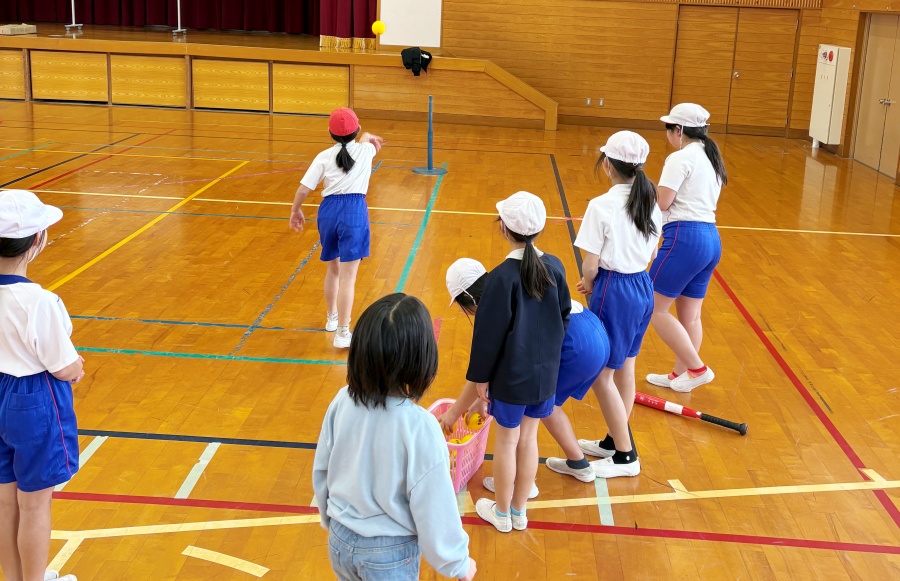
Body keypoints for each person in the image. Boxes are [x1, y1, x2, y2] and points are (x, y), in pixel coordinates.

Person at [312, 293, 476, 581]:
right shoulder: (420, 426)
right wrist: (458, 563)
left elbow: (323, 468)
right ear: (421, 359)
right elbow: (434, 505)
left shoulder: (341, 401)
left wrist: (332, 519)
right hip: (387, 554)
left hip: (339, 540)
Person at [439, 258, 609, 487]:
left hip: (575, 345)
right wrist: (480, 402)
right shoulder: (508, 284)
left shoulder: (491, 311)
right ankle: (578, 464)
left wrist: (452, 415)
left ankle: (518, 484)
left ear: (468, 299)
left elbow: (482, 369)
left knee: (530, 405)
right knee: (547, 407)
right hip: (592, 331)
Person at [460, 192, 571, 532]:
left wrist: (481, 378)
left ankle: (503, 512)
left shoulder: (500, 278)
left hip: (511, 378)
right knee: (529, 440)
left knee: (507, 442)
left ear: (504, 231)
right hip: (544, 377)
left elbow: (488, 336)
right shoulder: (555, 266)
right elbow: (564, 316)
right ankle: (520, 512)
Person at [0, 190, 83, 581]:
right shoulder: (40, 301)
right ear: (38, 240)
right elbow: (62, 365)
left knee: (5, 501)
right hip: (32, 399)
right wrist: (76, 366)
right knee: (35, 504)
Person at [573, 132, 662, 478]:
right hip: (642, 286)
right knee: (625, 368)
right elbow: (652, 253)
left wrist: (591, 285)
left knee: (601, 373)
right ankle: (615, 439)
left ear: (607, 165)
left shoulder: (601, 206)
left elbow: (590, 265)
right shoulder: (650, 201)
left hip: (614, 290)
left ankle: (626, 456)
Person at [647, 103, 727, 392]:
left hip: (684, 238)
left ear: (678, 131)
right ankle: (681, 375)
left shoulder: (680, 159)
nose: (668, 135)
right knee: (690, 315)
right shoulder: (712, 157)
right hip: (710, 238)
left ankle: (697, 368)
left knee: (654, 308)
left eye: (669, 129)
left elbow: (663, 202)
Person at [290, 108, 384, 349]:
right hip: (354, 211)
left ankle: (331, 319)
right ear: (358, 128)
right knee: (348, 278)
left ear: (330, 133)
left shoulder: (323, 156)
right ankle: (343, 332)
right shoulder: (365, 151)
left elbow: (303, 189)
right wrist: (368, 135)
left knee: (333, 271)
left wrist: (295, 210)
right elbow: (366, 141)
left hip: (328, 212)